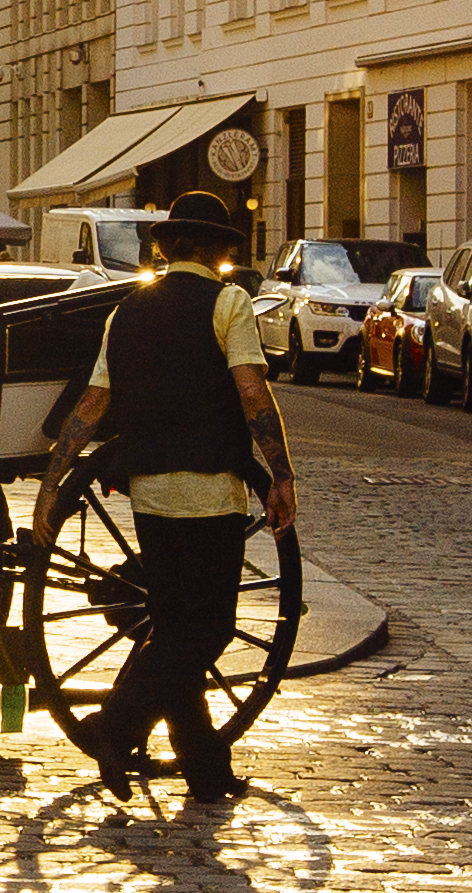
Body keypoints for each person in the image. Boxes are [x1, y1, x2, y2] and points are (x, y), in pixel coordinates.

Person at [28, 187, 298, 810]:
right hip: (209, 488)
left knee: (174, 627)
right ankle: (113, 728)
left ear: (166, 246)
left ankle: (205, 770)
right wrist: (281, 475)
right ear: (215, 250)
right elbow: (254, 398)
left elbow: (90, 409)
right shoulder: (228, 303)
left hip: (148, 491)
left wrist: (51, 484)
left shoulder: (128, 311)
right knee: (209, 629)